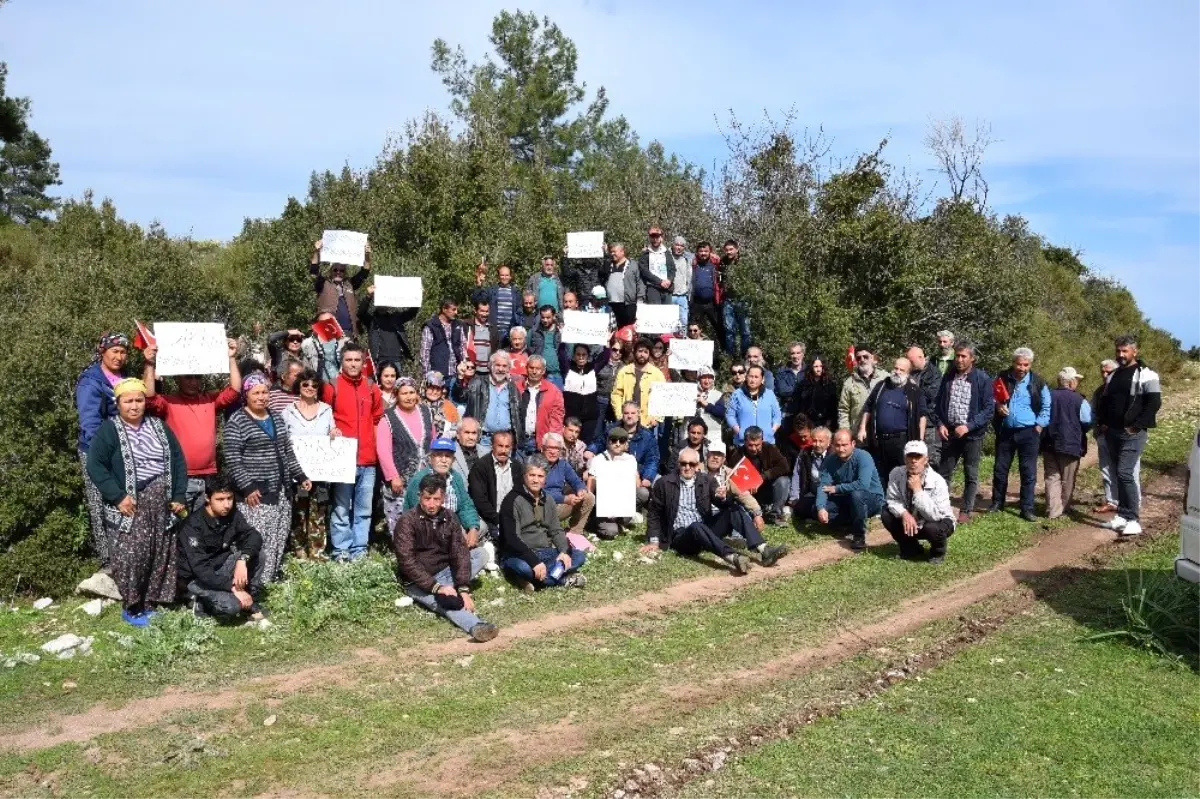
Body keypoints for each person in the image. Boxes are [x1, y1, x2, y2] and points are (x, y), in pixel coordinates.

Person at [87, 378, 188, 626]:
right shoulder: (109, 430)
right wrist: (117, 495)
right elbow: (95, 465)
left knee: (160, 552)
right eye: (128, 401)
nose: (134, 406)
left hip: (161, 501)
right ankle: (132, 607)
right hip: (130, 502)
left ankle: (152, 603)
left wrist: (178, 495)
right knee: (132, 554)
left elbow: (177, 460)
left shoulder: (158, 426)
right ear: (118, 403)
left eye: (139, 400)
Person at [223, 373, 311, 581]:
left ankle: (269, 578)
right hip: (255, 492)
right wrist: (247, 486)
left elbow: (287, 451)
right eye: (256, 393)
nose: (262, 397)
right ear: (246, 395)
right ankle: (252, 580)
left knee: (278, 534)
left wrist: (300, 475)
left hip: (280, 489)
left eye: (265, 392)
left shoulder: (276, 417)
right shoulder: (237, 421)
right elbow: (233, 459)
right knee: (257, 536)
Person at [393, 472, 499, 642]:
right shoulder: (407, 521)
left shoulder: (449, 516)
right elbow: (407, 562)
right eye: (427, 498)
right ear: (420, 496)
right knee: (446, 603)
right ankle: (477, 625)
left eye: (436, 499)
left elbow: (460, 552)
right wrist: (437, 588)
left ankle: (454, 588)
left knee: (480, 554)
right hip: (419, 581)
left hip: (445, 571)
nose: (431, 504)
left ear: (443, 498)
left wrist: (464, 589)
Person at [644, 447, 786, 573]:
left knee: (734, 509)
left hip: (706, 528)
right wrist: (654, 541)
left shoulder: (706, 480)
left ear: (697, 465)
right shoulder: (664, 483)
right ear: (678, 464)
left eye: (691, 464)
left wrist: (723, 497)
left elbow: (722, 503)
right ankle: (732, 557)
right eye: (683, 464)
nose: (687, 467)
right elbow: (654, 513)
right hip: (682, 537)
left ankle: (763, 549)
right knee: (695, 526)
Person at [140, 337, 241, 513]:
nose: (194, 381)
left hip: (207, 476)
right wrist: (149, 363)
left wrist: (231, 358)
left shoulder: (209, 399)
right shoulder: (169, 402)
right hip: (181, 478)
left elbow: (234, 391)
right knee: (179, 528)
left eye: (197, 376)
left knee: (201, 529)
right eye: (188, 377)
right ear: (178, 378)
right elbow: (148, 397)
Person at [321, 342, 384, 561]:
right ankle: (341, 551)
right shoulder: (332, 386)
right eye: (349, 360)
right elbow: (324, 418)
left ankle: (359, 550)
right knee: (341, 509)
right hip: (342, 459)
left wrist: (375, 449)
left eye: (357, 360)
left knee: (363, 510)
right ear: (342, 362)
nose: (353, 364)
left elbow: (377, 419)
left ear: (364, 362)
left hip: (367, 460)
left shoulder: (371, 387)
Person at [1095, 334, 1161, 537]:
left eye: (1125, 351)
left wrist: (1137, 426)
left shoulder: (1146, 374)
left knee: (1125, 473)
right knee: (1117, 473)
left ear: (1135, 351)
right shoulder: (1114, 374)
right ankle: (1122, 516)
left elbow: (1154, 403)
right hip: (1113, 432)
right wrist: (1103, 423)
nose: (1121, 355)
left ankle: (1133, 519)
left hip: (1132, 433)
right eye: (1118, 351)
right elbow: (1106, 401)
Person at [176, 474, 267, 622]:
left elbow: (254, 535)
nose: (227, 505)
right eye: (220, 499)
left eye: (229, 498)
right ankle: (197, 600)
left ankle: (251, 598)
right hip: (196, 579)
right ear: (207, 498)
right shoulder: (193, 526)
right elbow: (201, 570)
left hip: (219, 568)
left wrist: (242, 560)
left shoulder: (232, 514)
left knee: (258, 554)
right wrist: (233, 588)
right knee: (232, 606)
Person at [76, 332, 130, 570]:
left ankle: (125, 555)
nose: (119, 356)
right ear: (103, 352)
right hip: (97, 451)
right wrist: (108, 449)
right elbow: (90, 424)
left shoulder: (125, 378)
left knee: (123, 501)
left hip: (124, 449)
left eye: (123, 352)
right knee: (100, 504)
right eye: (114, 351)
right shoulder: (91, 381)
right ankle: (107, 561)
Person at [498, 454, 588, 591]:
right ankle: (561, 579)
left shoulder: (549, 500)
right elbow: (512, 539)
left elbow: (556, 530)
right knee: (525, 568)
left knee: (578, 556)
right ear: (524, 476)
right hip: (520, 553)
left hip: (545, 551)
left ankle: (537, 579)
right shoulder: (512, 500)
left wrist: (564, 551)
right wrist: (534, 562)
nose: (535, 480)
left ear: (545, 479)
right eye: (532, 475)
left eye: (540, 476)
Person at [931, 343, 995, 523]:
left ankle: (966, 509)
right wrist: (940, 423)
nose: (959, 360)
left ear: (972, 359)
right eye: (957, 356)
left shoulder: (982, 379)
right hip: (950, 433)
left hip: (971, 435)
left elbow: (989, 409)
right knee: (944, 472)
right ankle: (940, 506)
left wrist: (968, 426)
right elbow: (939, 403)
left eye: (963, 356)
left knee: (971, 473)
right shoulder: (948, 377)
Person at [988, 347, 1051, 521]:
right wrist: (997, 406)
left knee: (1028, 471)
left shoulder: (1038, 382)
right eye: (1018, 364)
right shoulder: (1003, 377)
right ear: (1013, 362)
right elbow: (991, 396)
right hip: (1006, 431)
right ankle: (997, 503)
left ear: (1030, 364)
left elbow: (1047, 406)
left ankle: (1027, 508)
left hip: (1029, 432)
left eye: (1025, 365)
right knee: (1000, 469)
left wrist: (1039, 426)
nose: (1021, 368)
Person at [282, 369, 337, 560]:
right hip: (296, 473)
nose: (310, 388)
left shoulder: (327, 410)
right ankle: (299, 550)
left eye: (314, 385)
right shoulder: (287, 412)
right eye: (305, 384)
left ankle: (317, 552)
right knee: (298, 512)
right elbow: (282, 441)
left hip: (320, 472)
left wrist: (334, 433)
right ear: (298, 386)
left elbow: (333, 432)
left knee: (318, 512)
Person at [377, 377, 435, 533]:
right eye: (404, 393)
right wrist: (392, 476)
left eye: (412, 392)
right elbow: (383, 450)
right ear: (396, 395)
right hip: (401, 474)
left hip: (425, 473)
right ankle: (403, 548)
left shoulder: (426, 412)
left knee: (425, 508)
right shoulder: (388, 417)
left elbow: (433, 439)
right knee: (401, 514)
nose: (409, 397)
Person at [882, 441, 955, 563]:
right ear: (905, 459)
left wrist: (918, 491)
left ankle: (938, 552)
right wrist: (904, 514)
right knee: (886, 513)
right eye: (910, 456)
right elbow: (892, 500)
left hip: (938, 521)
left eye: (918, 457)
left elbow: (936, 516)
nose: (914, 461)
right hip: (912, 518)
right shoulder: (896, 473)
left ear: (926, 460)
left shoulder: (938, 481)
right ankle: (910, 548)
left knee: (932, 527)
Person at [403, 438, 482, 547]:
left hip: (453, 525)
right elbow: (417, 516)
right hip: (428, 531)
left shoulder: (455, 477)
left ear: (453, 460)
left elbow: (465, 505)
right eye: (439, 455)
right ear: (431, 458)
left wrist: (473, 528)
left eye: (448, 456)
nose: (444, 460)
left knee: (481, 526)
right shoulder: (420, 480)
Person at [814, 429, 885, 551]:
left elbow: (863, 485)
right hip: (846, 497)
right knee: (816, 508)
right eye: (837, 445)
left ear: (853, 444)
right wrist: (820, 508)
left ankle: (858, 535)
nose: (841, 449)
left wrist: (837, 488)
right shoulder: (830, 460)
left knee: (856, 495)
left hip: (870, 498)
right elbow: (823, 485)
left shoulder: (863, 457)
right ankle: (849, 522)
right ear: (832, 445)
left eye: (844, 445)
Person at [857, 357, 927, 481]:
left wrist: (920, 439)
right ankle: (883, 500)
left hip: (901, 441)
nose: (897, 371)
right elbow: (868, 407)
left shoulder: (914, 390)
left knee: (902, 475)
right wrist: (862, 428)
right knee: (880, 475)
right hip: (879, 439)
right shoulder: (882, 386)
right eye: (896, 368)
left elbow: (922, 415)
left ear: (908, 373)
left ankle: (902, 500)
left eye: (902, 370)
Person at [1042, 366, 1093, 519]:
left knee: (1052, 476)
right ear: (1071, 383)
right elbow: (1087, 421)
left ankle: (1053, 510)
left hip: (1048, 442)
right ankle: (1064, 508)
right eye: (1076, 379)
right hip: (1070, 443)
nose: (1077, 382)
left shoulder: (1048, 396)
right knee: (1068, 478)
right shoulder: (1080, 400)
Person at [590, 402, 659, 506]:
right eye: (626, 413)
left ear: (638, 414)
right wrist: (590, 450)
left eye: (633, 413)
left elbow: (653, 459)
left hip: (639, 473)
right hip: (613, 473)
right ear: (622, 414)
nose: (629, 416)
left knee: (657, 483)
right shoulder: (611, 429)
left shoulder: (647, 436)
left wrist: (647, 477)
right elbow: (599, 442)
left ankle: (634, 508)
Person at [588, 426, 644, 539]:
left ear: (626, 444)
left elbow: (637, 485)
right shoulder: (598, 460)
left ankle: (622, 519)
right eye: (614, 440)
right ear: (608, 442)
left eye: (621, 441)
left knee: (642, 492)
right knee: (611, 531)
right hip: (602, 504)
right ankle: (594, 522)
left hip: (622, 500)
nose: (617, 444)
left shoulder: (630, 459)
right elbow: (590, 488)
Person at [457, 350, 522, 447]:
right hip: (484, 440)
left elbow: (518, 415)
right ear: (491, 366)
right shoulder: (478, 383)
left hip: (505, 441)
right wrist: (460, 377)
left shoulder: (513, 388)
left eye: (504, 366)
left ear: (509, 369)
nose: (500, 369)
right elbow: (461, 396)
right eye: (497, 365)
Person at [729, 425, 792, 524]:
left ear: (762, 441)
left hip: (768, 488)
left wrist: (762, 477)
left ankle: (775, 514)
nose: (754, 448)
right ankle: (752, 513)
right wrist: (749, 484)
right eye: (750, 445)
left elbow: (785, 466)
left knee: (784, 481)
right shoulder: (737, 455)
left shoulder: (770, 448)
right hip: (748, 493)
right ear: (745, 442)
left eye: (757, 445)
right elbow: (732, 479)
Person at [467, 430, 521, 542]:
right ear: (492, 446)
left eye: (507, 447)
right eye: (500, 446)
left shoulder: (517, 467)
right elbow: (479, 500)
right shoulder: (480, 467)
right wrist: (498, 520)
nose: (503, 450)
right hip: (490, 518)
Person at [310, 237, 370, 336]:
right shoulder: (323, 283)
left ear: (345, 272)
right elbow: (313, 271)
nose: (338, 272)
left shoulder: (350, 283)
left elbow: (365, 272)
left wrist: (367, 254)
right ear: (330, 271)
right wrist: (317, 251)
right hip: (327, 330)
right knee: (329, 351)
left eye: (341, 270)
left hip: (349, 332)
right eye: (335, 270)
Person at [541, 432, 596, 535]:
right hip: (541, 509)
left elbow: (576, 481)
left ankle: (575, 533)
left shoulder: (562, 464)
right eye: (550, 448)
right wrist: (564, 499)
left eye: (557, 448)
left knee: (589, 497)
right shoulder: (535, 464)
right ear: (542, 448)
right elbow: (538, 492)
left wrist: (581, 489)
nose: (553, 452)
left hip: (558, 507)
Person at [611, 338, 666, 432]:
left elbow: (663, 397)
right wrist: (620, 415)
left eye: (645, 352)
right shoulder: (624, 371)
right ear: (635, 352)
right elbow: (616, 394)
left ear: (649, 354)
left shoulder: (657, 374)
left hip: (648, 422)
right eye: (640, 351)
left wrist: (656, 418)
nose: (642, 354)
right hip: (627, 421)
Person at [704, 439, 766, 522]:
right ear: (707, 455)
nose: (715, 457)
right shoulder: (697, 470)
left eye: (719, 455)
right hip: (702, 513)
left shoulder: (730, 473)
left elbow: (743, 494)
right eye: (713, 453)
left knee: (738, 510)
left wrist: (757, 513)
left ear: (723, 459)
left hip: (722, 514)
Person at [362, 283, 418, 373]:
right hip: (378, 361)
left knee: (395, 386)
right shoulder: (371, 320)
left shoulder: (396, 318)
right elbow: (361, 313)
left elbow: (412, 313)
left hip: (396, 360)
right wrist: (368, 296)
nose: (384, 304)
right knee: (379, 386)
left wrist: (417, 296)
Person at [518, 354, 565, 455]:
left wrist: (550, 443)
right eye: (531, 368)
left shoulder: (554, 391)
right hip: (518, 441)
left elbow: (556, 420)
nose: (534, 372)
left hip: (539, 442)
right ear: (526, 368)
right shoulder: (517, 387)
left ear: (543, 371)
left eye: (538, 369)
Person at [726, 364, 782, 445]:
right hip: (743, 443)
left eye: (756, 377)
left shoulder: (770, 394)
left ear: (762, 379)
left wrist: (771, 431)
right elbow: (730, 415)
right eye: (751, 376)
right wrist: (739, 431)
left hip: (766, 442)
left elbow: (777, 415)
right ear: (746, 377)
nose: (753, 380)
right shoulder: (737, 394)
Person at [907, 345, 943, 467]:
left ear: (921, 357)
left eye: (911, 361)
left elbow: (931, 395)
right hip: (910, 421)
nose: (909, 364)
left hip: (929, 421)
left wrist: (913, 388)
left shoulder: (934, 373)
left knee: (929, 458)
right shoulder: (908, 371)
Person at [1093, 358, 1121, 513]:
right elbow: (1093, 411)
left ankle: (1127, 502)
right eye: (1102, 371)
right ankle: (1111, 501)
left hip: (1120, 436)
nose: (1104, 375)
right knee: (1106, 468)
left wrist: (1110, 424)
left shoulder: (1124, 390)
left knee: (1123, 470)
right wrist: (1097, 428)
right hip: (1103, 436)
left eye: (1108, 372)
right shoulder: (1099, 391)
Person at [838, 344, 885, 433]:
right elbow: (843, 410)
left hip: (881, 432)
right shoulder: (849, 383)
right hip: (859, 434)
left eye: (865, 357)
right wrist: (845, 432)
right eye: (858, 358)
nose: (862, 360)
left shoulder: (885, 377)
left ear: (872, 358)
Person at [789, 425, 832, 521]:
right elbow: (797, 475)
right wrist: (794, 497)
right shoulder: (804, 453)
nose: (817, 444)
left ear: (828, 442)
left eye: (821, 441)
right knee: (799, 509)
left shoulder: (834, 455)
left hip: (829, 494)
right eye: (815, 440)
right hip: (811, 492)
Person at [564, 343, 604, 442]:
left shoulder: (593, 368)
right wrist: (562, 339)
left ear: (588, 356)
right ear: (574, 356)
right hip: (572, 414)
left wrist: (607, 343)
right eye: (578, 354)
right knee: (570, 440)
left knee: (587, 442)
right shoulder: (568, 368)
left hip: (590, 415)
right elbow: (561, 354)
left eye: (584, 354)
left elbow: (605, 357)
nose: (581, 357)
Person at [718, 239, 751, 357]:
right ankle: (730, 358)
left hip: (743, 299)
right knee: (729, 330)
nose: (729, 252)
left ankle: (745, 356)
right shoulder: (723, 262)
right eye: (726, 250)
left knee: (745, 331)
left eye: (731, 249)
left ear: (737, 249)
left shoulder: (744, 262)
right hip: (728, 300)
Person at [420, 298, 466, 378]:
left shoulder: (458, 325)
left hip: (456, 373)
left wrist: (464, 364)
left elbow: (463, 346)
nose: (456, 312)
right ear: (444, 309)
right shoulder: (431, 326)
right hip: (437, 374)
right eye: (453, 309)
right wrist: (427, 374)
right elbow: (425, 352)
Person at [689, 241, 724, 343]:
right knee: (693, 329)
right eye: (701, 251)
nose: (703, 253)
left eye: (706, 251)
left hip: (711, 303)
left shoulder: (715, 264)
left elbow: (726, 260)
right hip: (696, 303)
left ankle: (725, 356)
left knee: (719, 328)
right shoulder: (692, 263)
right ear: (697, 252)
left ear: (710, 252)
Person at [603, 243, 644, 328]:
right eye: (611, 252)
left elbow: (640, 282)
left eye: (614, 251)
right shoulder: (608, 265)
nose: (612, 254)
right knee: (613, 328)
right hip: (611, 304)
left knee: (628, 329)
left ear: (622, 252)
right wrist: (604, 252)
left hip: (628, 304)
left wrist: (640, 299)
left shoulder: (633, 265)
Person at [793, 356, 838, 429]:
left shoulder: (830, 384)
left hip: (826, 424)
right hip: (808, 424)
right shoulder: (803, 385)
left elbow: (833, 406)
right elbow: (800, 406)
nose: (819, 369)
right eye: (816, 366)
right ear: (811, 368)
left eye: (821, 366)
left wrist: (828, 423)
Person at [301, 311, 347, 383]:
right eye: (322, 322)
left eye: (330, 321)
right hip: (317, 384)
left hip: (339, 383)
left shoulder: (342, 342)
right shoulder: (307, 343)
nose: (326, 325)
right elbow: (305, 365)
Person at [485, 265, 522, 351]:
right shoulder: (492, 290)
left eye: (506, 275)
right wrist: (479, 284)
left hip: (509, 332)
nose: (504, 277)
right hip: (494, 331)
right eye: (502, 275)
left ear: (510, 276)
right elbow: (479, 300)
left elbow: (519, 311)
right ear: (498, 276)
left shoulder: (516, 292)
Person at [528, 306, 565, 388]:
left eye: (548, 317)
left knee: (557, 400)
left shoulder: (560, 332)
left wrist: (563, 333)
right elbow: (528, 348)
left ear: (554, 316)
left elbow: (568, 350)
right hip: (539, 375)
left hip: (557, 375)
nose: (545, 320)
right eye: (543, 317)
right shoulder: (534, 331)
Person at [638, 225, 675, 305]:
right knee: (655, 315)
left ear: (661, 237)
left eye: (657, 237)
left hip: (667, 288)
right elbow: (644, 272)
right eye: (652, 236)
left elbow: (673, 269)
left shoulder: (667, 252)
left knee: (667, 315)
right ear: (649, 237)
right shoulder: (645, 254)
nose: (655, 239)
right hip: (653, 288)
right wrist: (659, 282)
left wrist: (669, 280)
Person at [452, 416, 490, 485]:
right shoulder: (449, 453)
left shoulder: (487, 453)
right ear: (457, 434)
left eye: (474, 433)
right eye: (467, 432)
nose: (471, 437)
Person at [422, 370, 460, 438]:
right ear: (425, 388)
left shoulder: (448, 405)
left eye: (438, 389)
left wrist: (447, 435)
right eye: (431, 388)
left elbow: (456, 426)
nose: (435, 392)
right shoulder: (418, 404)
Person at [464, 294, 495, 375]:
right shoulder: (467, 326)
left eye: (487, 311)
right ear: (475, 311)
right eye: (482, 311)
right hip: (471, 371)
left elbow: (496, 349)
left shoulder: (493, 329)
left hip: (487, 372)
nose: (484, 314)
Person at [694, 366, 726, 441]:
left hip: (712, 435)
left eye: (710, 378)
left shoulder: (718, 394)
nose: (707, 381)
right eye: (704, 377)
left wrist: (706, 405)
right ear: (699, 379)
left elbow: (722, 413)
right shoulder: (691, 392)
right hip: (693, 435)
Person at [775, 342, 807, 411]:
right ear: (789, 355)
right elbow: (783, 391)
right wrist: (802, 391)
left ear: (803, 354)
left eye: (798, 353)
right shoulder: (781, 371)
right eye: (792, 353)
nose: (795, 356)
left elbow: (811, 391)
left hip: (805, 413)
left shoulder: (809, 371)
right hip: (787, 412)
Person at [669, 235, 693, 327]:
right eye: (677, 244)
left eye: (682, 245)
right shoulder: (667, 257)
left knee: (684, 322)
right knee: (670, 323)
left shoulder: (688, 259)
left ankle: (682, 338)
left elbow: (702, 254)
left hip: (683, 296)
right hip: (670, 295)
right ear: (673, 245)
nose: (679, 247)